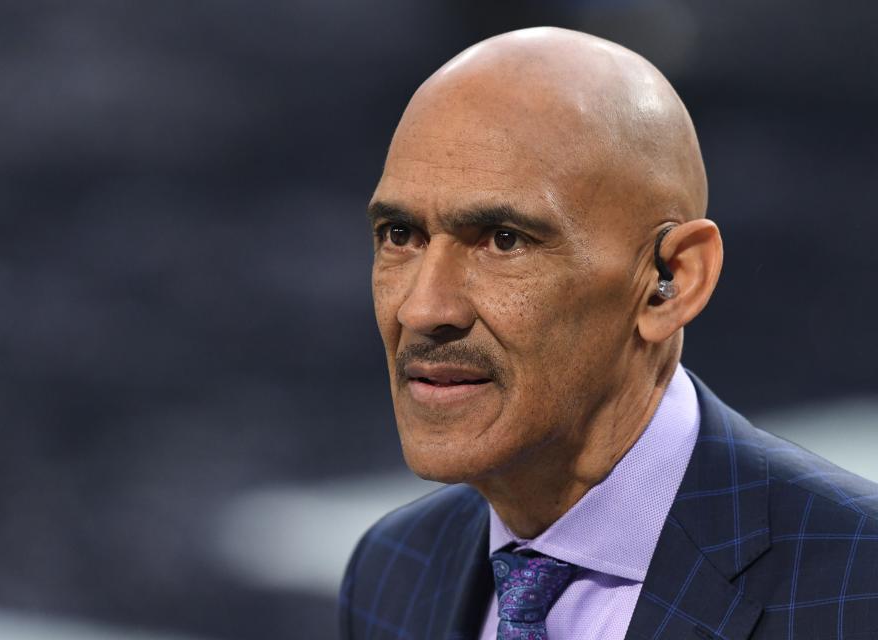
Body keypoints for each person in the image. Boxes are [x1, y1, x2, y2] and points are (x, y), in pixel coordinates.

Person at [338, 27, 878, 640]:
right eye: (400, 236)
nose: (423, 309)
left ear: (671, 278)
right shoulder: (392, 572)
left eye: (504, 240)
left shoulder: (860, 586)